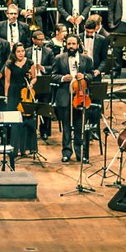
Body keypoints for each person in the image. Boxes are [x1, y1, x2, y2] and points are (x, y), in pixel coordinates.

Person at [52, 34, 95, 164]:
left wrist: (85, 76)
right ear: (65, 44)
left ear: (78, 45)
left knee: (79, 126)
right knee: (66, 126)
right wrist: (62, 78)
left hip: (81, 96)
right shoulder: (59, 58)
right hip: (65, 96)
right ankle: (66, 152)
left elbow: (92, 75)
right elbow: (53, 75)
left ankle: (80, 153)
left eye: (73, 44)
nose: (71, 46)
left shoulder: (86, 59)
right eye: (69, 44)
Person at [4, 42, 38, 157]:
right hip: (13, 93)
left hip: (26, 94)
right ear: (14, 53)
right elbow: (7, 82)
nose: (21, 53)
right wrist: (6, 96)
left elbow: (34, 78)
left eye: (22, 51)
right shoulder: (9, 64)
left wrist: (31, 85)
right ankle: (14, 148)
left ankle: (26, 149)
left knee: (26, 121)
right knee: (14, 122)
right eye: (18, 51)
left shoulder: (30, 63)